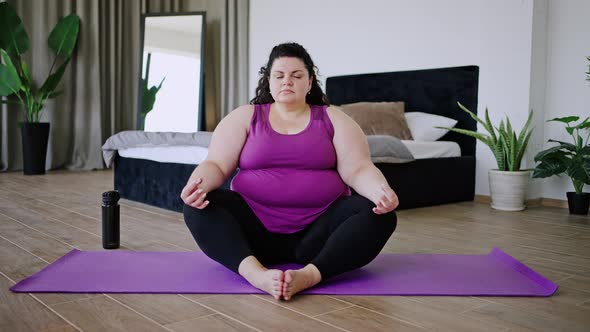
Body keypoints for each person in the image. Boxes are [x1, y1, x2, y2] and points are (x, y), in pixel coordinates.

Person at [182, 42, 398, 301]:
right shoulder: (244, 117)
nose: (287, 81)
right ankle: (256, 274)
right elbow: (216, 164)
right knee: (199, 206)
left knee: (379, 215)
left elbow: (358, 169)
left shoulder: (335, 119)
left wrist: (380, 192)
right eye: (279, 75)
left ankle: (310, 275)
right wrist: (197, 186)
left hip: (319, 237)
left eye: (296, 75)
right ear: (269, 81)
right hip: (254, 235)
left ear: (309, 83)